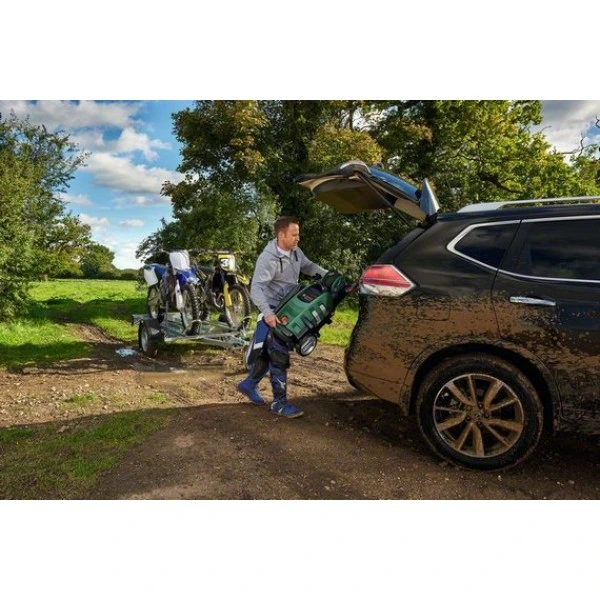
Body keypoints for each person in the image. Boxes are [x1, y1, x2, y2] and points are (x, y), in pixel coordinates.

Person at [237, 216, 327, 418]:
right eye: (294, 235)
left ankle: (249, 383)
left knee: (270, 351)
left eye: (298, 234)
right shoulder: (268, 259)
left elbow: (309, 266)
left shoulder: (295, 251)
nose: (298, 238)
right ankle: (279, 403)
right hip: (272, 310)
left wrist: (327, 275)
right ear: (281, 235)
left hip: (288, 305)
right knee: (278, 354)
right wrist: (268, 314)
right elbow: (256, 289)